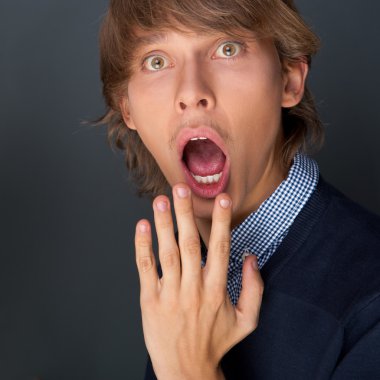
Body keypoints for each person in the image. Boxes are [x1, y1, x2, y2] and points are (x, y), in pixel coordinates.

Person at [98, 0, 380, 378]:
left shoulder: (370, 306)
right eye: (157, 61)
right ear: (126, 107)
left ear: (289, 78)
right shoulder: (180, 284)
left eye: (227, 49)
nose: (191, 91)